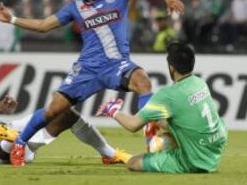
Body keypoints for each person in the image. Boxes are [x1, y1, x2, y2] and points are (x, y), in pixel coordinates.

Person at [0, 0, 185, 166]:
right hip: (87, 70)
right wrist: (12, 19)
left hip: (117, 66)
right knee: (53, 110)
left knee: (143, 81)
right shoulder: (75, 7)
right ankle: (19, 142)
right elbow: (44, 26)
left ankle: (151, 138)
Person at [96, 43, 228, 173]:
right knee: (179, 121)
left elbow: (133, 125)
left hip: (196, 161)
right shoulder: (200, 83)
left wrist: (112, 111)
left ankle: (160, 144)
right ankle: (157, 131)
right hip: (217, 146)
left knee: (133, 163)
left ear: (171, 68)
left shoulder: (168, 95)